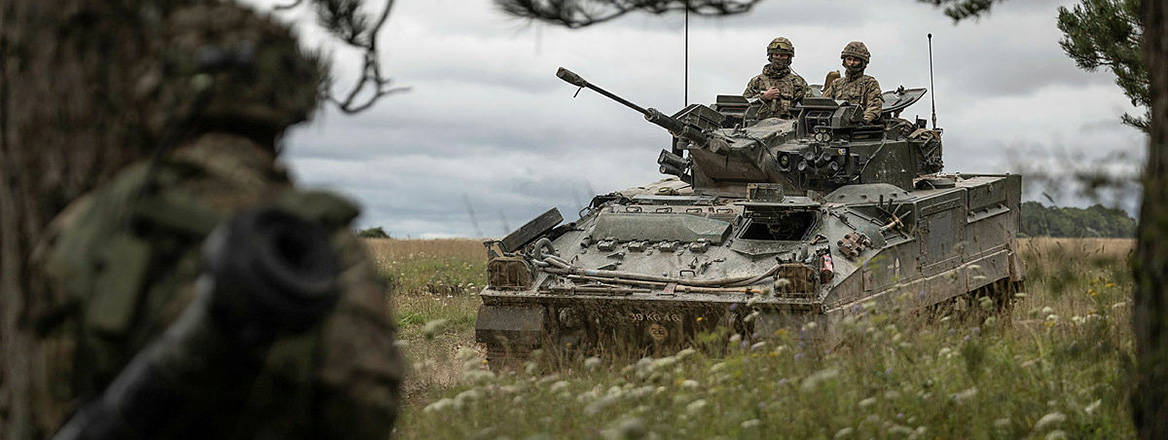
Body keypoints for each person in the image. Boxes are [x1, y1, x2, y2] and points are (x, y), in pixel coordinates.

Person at [29, 3, 403, 439]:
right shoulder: (315, 238)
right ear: (291, 92)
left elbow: (46, 395)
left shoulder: (91, 224)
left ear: (158, 86)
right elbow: (366, 406)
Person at [743, 37, 812, 120]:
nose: (779, 58)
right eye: (776, 55)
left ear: (788, 58)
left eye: (783, 55)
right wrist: (764, 97)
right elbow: (745, 103)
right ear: (771, 56)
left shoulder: (797, 82)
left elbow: (811, 105)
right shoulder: (757, 81)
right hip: (758, 126)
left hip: (788, 126)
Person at [822, 41, 884, 124]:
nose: (851, 63)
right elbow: (823, 103)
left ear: (862, 62)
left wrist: (864, 120)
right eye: (849, 59)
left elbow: (874, 107)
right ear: (844, 61)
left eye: (855, 60)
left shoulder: (869, 83)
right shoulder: (837, 83)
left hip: (858, 129)